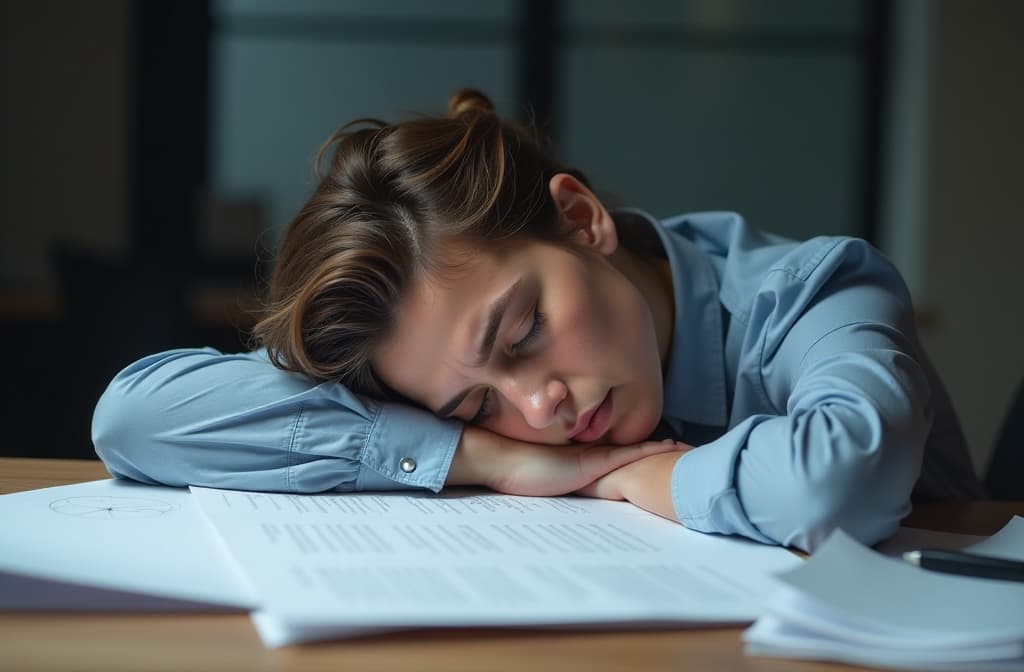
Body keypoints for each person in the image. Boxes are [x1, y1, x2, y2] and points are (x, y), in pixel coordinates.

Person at [92, 89, 984, 553]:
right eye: (475, 405)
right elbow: (136, 418)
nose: (539, 407)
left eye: (520, 336)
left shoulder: (812, 292)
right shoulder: (516, 429)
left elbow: (840, 481)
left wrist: (639, 480)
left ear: (582, 219)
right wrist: (489, 458)